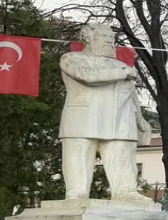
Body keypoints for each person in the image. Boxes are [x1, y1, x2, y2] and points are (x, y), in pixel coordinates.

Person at [58, 22, 154, 202]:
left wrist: (139, 117)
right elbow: (88, 77)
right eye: (104, 37)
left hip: (119, 120)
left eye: (112, 38)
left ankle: (126, 191)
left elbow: (131, 93)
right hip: (84, 119)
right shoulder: (71, 58)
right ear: (88, 38)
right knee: (78, 161)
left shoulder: (121, 66)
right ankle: (76, 193)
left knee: (123, 160)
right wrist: (123, 72)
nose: (110, 42)